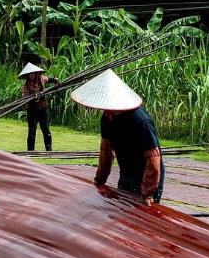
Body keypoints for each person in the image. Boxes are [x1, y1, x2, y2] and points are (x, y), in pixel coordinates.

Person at [70, 69, 164, 206]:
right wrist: (100, 179)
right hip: (126, 169)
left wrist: (148, 191)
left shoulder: (141, 121)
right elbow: (106, 151)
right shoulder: (108, 118)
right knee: (123, 210)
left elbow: (153, 158)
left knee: (143, 215)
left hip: (147, 173)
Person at [19, 62, 59, 151]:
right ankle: (30, 150)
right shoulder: (25, 86)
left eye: (33, 73)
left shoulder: (42, 79)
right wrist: (34, 97)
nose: (32, 75)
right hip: (32, 109)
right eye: (30, 74)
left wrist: (56, 80)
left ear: (36, 73)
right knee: (32, 131)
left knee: (46, 129)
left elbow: (50, 79)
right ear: (27, 75)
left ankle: (49, 149)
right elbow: (25, 98)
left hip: (43, 108)